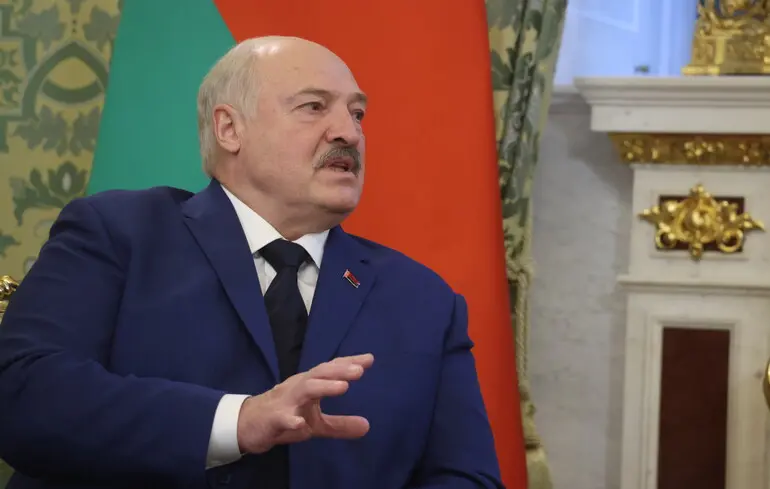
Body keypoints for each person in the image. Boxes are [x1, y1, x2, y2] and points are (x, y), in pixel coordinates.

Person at [0, 37, 504, 489]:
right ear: (229, 128)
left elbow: (467, 475)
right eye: (313, 107)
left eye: (357, 114)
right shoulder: (119, 234)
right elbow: (24, 395)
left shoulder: (423, 300)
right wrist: (238, 422)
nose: (348, 133)